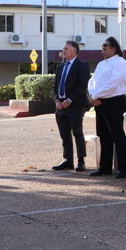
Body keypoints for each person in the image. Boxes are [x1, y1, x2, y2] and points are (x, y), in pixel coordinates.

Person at [87, 37, 126, 178]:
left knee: (117, 135)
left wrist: (95, 96)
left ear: (113, 48)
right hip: (100, 102)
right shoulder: (101, 64)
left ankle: (123, 168)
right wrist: (93, 95)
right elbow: (92, 81)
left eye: (105, 47)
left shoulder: (120, 62)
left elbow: (113, 83)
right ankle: (104, 167)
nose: (102, 50)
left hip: (114, 101)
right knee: (103, 135)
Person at [51, 40, 90, 172]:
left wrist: (70, 100)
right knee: (64, 134)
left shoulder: (82, 65)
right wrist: (57, 101)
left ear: (74, 51)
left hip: (75, 105)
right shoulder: (60, 67)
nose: (64, 51)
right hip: (60, 106)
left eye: (66, 49)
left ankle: (81, 160)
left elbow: (82, 85)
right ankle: (68, 160)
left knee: (77, 133)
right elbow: (54, 86)